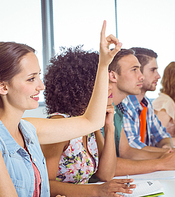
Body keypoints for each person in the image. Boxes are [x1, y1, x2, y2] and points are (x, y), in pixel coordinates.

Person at [0, 21, 134, 196]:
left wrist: (103, 64)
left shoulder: (29, 129)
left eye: (39, 76)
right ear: (3, 87)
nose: (41, 86)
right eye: (31, 79)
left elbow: (91, 121)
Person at [41, 46, 134, 196]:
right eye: (104, 81)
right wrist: (96, 191)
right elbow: (46, 185)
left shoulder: (89, 124)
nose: (111, 87)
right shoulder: (59, 124)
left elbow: (106, 174)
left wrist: (109, 127)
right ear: (83, 87)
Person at [107, 49, 175, 176]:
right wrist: (165, 159)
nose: (141, 76)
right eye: (134, 70)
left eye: (139, 69)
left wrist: (169, 153)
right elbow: (107, 166)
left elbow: (128, 151)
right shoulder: (115, 107)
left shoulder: (119, 108)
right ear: (112, 76)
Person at [122, 47, 175, 148]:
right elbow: (133, 151)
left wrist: (167, 149)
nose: (158, 76)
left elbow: (162, 137)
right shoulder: (125, 106)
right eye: (153, 70)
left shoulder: (146, 103)